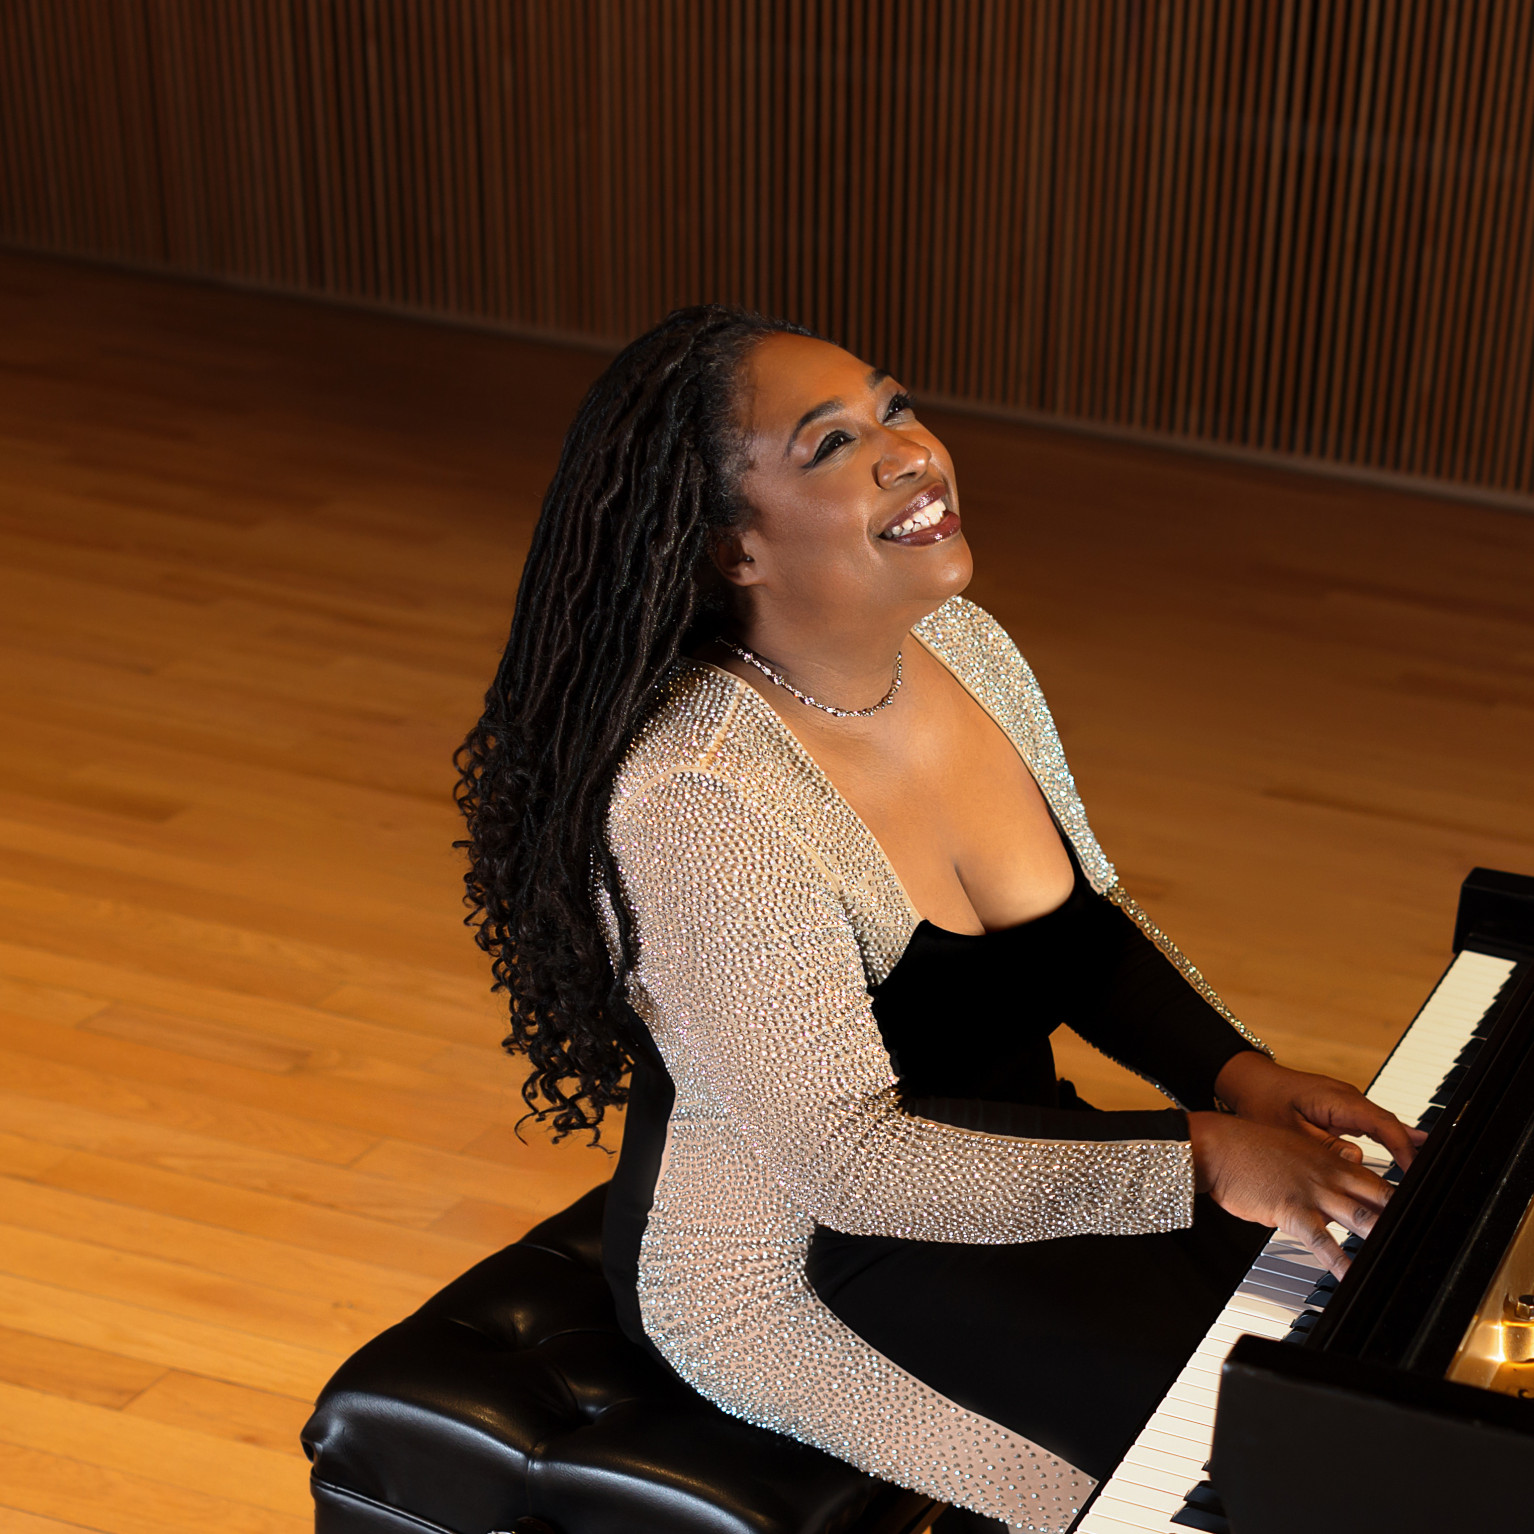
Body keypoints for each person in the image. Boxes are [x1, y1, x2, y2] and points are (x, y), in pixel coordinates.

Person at [455, 306, 1423, 1532]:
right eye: (830, 444)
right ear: (734, 547)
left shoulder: (960, 644)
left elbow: (1077, 929)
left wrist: (1239, 1075)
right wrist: (1198, 1157)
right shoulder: (699, 798)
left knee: (1363, 1365)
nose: (909, 450)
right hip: (804, 1266)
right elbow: (849, 1162)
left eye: (894, 406)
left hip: (1016, 1161)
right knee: (1202, 1487)